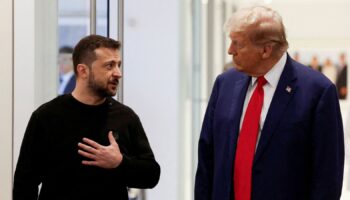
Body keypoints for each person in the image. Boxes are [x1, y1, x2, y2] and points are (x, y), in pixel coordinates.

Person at [195, 6, 344, 200]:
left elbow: (327, 177)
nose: (230, 50)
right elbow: (207, 158)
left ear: (266, 50)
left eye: (237, 44)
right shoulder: (225, 84)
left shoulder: (317, 92)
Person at [13, 35, 161, 200]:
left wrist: (120, 162)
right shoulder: (47, 117)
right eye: (109, 66)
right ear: (83, 70)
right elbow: (24, 183)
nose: (118, 73)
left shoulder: (126, 117)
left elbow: (151, 174)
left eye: (118, 65)